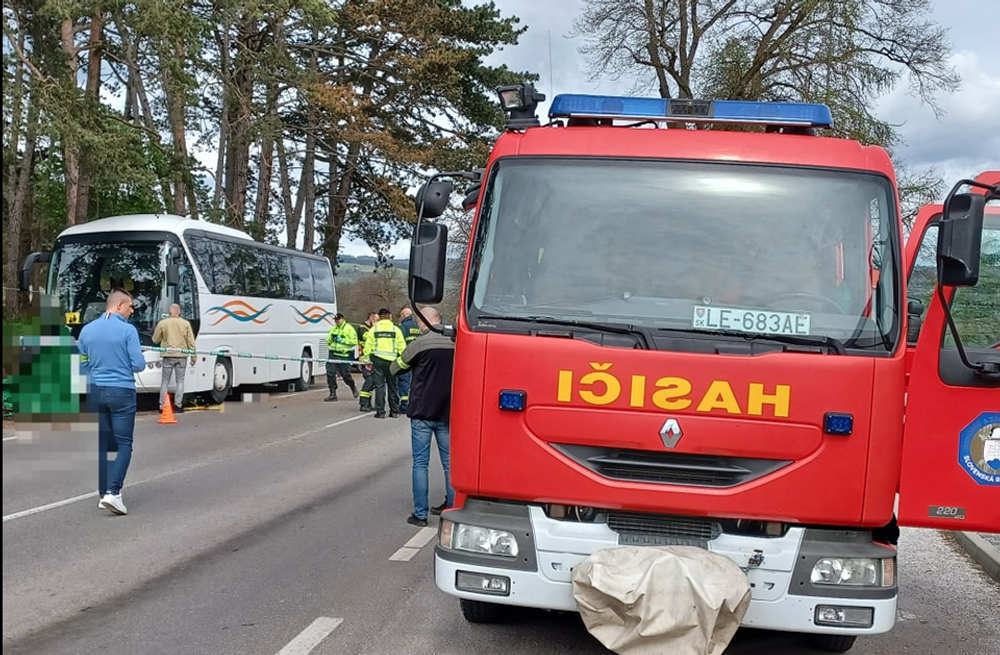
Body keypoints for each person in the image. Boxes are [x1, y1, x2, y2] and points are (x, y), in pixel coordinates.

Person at [78, 288, 146, 516]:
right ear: (118, 306)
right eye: (130, 306)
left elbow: (82, 363)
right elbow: (138, 364)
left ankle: (103, 493)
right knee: (124, 443)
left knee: (105, 444)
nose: (132, 310)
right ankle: (114, 493)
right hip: (122, 391)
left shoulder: (87, 331)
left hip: (96, 390)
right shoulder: (128, 331)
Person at [391, 307, 456, 526]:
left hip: (421, 412)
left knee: (420, 463)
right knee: (449, 463)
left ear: (424, 323)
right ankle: (451, 508)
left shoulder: (420, 344)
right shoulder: (456, 343)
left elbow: (396, 368)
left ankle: (420, 515)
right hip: (447, 412)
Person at [152, 303, 196, 413]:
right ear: (179, 312)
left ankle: (162, 406)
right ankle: (178, 406)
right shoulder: (185, 324)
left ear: (169, 312)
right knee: (180, 381)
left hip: (168, 355)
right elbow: (191, 341)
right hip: (182, 355)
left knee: (165, 381)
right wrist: (194, 356)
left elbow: (155, 340)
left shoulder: (163, 323)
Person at [362, 307, 405, 419]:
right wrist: (402, 360)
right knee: (392, 386)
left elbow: (368, 346)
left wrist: (367, 359)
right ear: (389, 316)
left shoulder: (374, 329)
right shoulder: (396, 330)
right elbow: (402, 347)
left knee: (379, 386)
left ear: (380, 317)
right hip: (392, 362)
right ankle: (394, 411)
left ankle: (380, 412)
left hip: (378, 361)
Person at [324, 313, 359, 402]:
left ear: (342, 319)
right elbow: (327, 340)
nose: (337, 322)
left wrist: (342, 340)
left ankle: (352, 386)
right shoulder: (333, 329)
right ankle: (333, 393)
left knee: (345, 375)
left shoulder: (349, 329)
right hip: (333, 354)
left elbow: (354, 341)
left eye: (338, 320)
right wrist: (331, 339)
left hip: (344, 355)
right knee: (330, 373)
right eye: (335, 320)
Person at [396, 306, 421, 412]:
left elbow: (400, 342)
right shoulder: (417, 326)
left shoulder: (403, 327)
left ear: (404, 315)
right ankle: (413, 403)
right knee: (413, 381)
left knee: (403, 381)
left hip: (405, 357)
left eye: (402, 315)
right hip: (416, 356)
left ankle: (404, 405)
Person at [357, 311, 379, 412]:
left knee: (372, 382)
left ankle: (368, 404)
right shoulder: (362, 329)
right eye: (376, 320)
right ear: (371, 318)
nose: (377, 323)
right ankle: (363, 404)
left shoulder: (371, 329)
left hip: (372, 360)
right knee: (369, 381)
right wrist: (375, 328)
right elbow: (367, 337)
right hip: (365, 360)